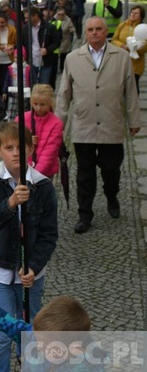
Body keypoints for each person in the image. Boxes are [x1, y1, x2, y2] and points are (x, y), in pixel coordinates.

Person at [0, 123, 58, 372]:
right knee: (2, 335)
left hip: (30, 277)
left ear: (31, 149)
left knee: (30, 333)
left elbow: (49, 235)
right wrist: (11, 202)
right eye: (9, 148)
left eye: (20, 147)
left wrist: (34, 267)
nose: (15, 153)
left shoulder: (43, 186)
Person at [56, 16, 141, 234]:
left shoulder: (121, 57)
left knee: (111, 170)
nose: (94, 33)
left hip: (111, 123)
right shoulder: (73, 58)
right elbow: (64, 94)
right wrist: (59, 126)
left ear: (106, 32)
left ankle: (112, 195)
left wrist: (134, 119)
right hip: (83, 125)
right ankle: (85, 214)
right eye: (91, 29)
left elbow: (130, 91)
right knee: (84, 174)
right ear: (86, 32)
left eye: (99, 29)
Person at [18, 84, 63, 179]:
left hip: (45, 172)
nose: (38, 108)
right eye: (35, 104)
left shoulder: (56, 123)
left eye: (42, 104)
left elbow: (49, 152)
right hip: (23, 169)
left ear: (50, 103)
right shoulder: (22, 118)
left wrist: (34, 175)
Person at [20, 7, 60, 88]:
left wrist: (47, 49)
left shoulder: (49, 27)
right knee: (32, 86)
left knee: (44, 86)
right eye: (25, 18)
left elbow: (57, 42)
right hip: (31, 61)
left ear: (35, 16)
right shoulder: (25, 29)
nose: (26, 20)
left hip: (45, 62)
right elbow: (21, 44)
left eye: (28, 18)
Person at [111, 5, 147, 93]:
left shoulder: (143, 28)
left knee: (133, 87)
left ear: (141, 16)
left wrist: (135, 48)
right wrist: (122, 45)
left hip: (135, 64)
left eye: (136, 13)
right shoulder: (122, 25)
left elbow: (145, 48)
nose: (133, 14)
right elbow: (114, 39)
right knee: (120, 87)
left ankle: (133, 105)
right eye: (132, 12)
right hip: (121, 61)